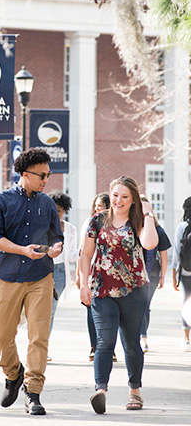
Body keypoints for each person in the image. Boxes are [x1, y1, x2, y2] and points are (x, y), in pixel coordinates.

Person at [0, 147, 63, 416]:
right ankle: (13, 374)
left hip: (41, 276)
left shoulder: (48, 204)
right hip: (8, 276)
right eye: (42, 175)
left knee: (38, 336)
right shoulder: (0, 201)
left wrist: (56, 247)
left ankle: (33, 392)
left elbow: (56, 235)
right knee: (2, 335)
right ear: (25, 174)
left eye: (48, 175)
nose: (46, 180)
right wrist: (22, 249)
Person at [79, 176, 158, 414]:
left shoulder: (138, 221)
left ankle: (135, 390)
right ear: (109, 194)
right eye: (115, 195)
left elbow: (150, 243)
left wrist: (148, 214)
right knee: (104, 342)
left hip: (134, 290)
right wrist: (84, 284)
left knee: (132, 343)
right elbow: (85, 255)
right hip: (102, 289)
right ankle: (100, 390)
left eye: (125, 196)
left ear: (133, 199)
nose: (118, 200)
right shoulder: (97, 221)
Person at [77, 193, 111, 362]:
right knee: (92, 310)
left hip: (111, 274)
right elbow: (81, 252)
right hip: (92, 273)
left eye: (103, 205)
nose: (99, 209)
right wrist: (80, 278)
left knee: (110, 313)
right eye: (97, 205)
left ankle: (108, 348)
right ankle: (94, 346)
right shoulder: (90, 223)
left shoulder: (116, 223)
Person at [140, 195, 170, 353]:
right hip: (146, 273)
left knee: (144, 305)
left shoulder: (157, 230)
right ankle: (140, 337)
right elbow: (164, 256)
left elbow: (164, 255)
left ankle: (142, 336)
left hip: (150, 273)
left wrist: (163, 277)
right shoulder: (135, 227)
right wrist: (162, 276)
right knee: (142, 306)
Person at [47, 191, 78, 336]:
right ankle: (38, 346)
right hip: (44, 269)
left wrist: (82, 252)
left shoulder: (71, 229)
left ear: (64, 211)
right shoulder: (42, 226)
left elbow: (71, 256)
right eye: (53, 210)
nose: (55, 214)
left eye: (58, 211)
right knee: (42, 310)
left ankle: (43, 347)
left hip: (60, 273)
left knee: (51, 310)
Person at [172, 196, 191, 352]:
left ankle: (186, 339)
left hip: (186, 270)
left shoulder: (182, 226)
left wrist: (174, 272)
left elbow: (177, 252)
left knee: (186, 301)